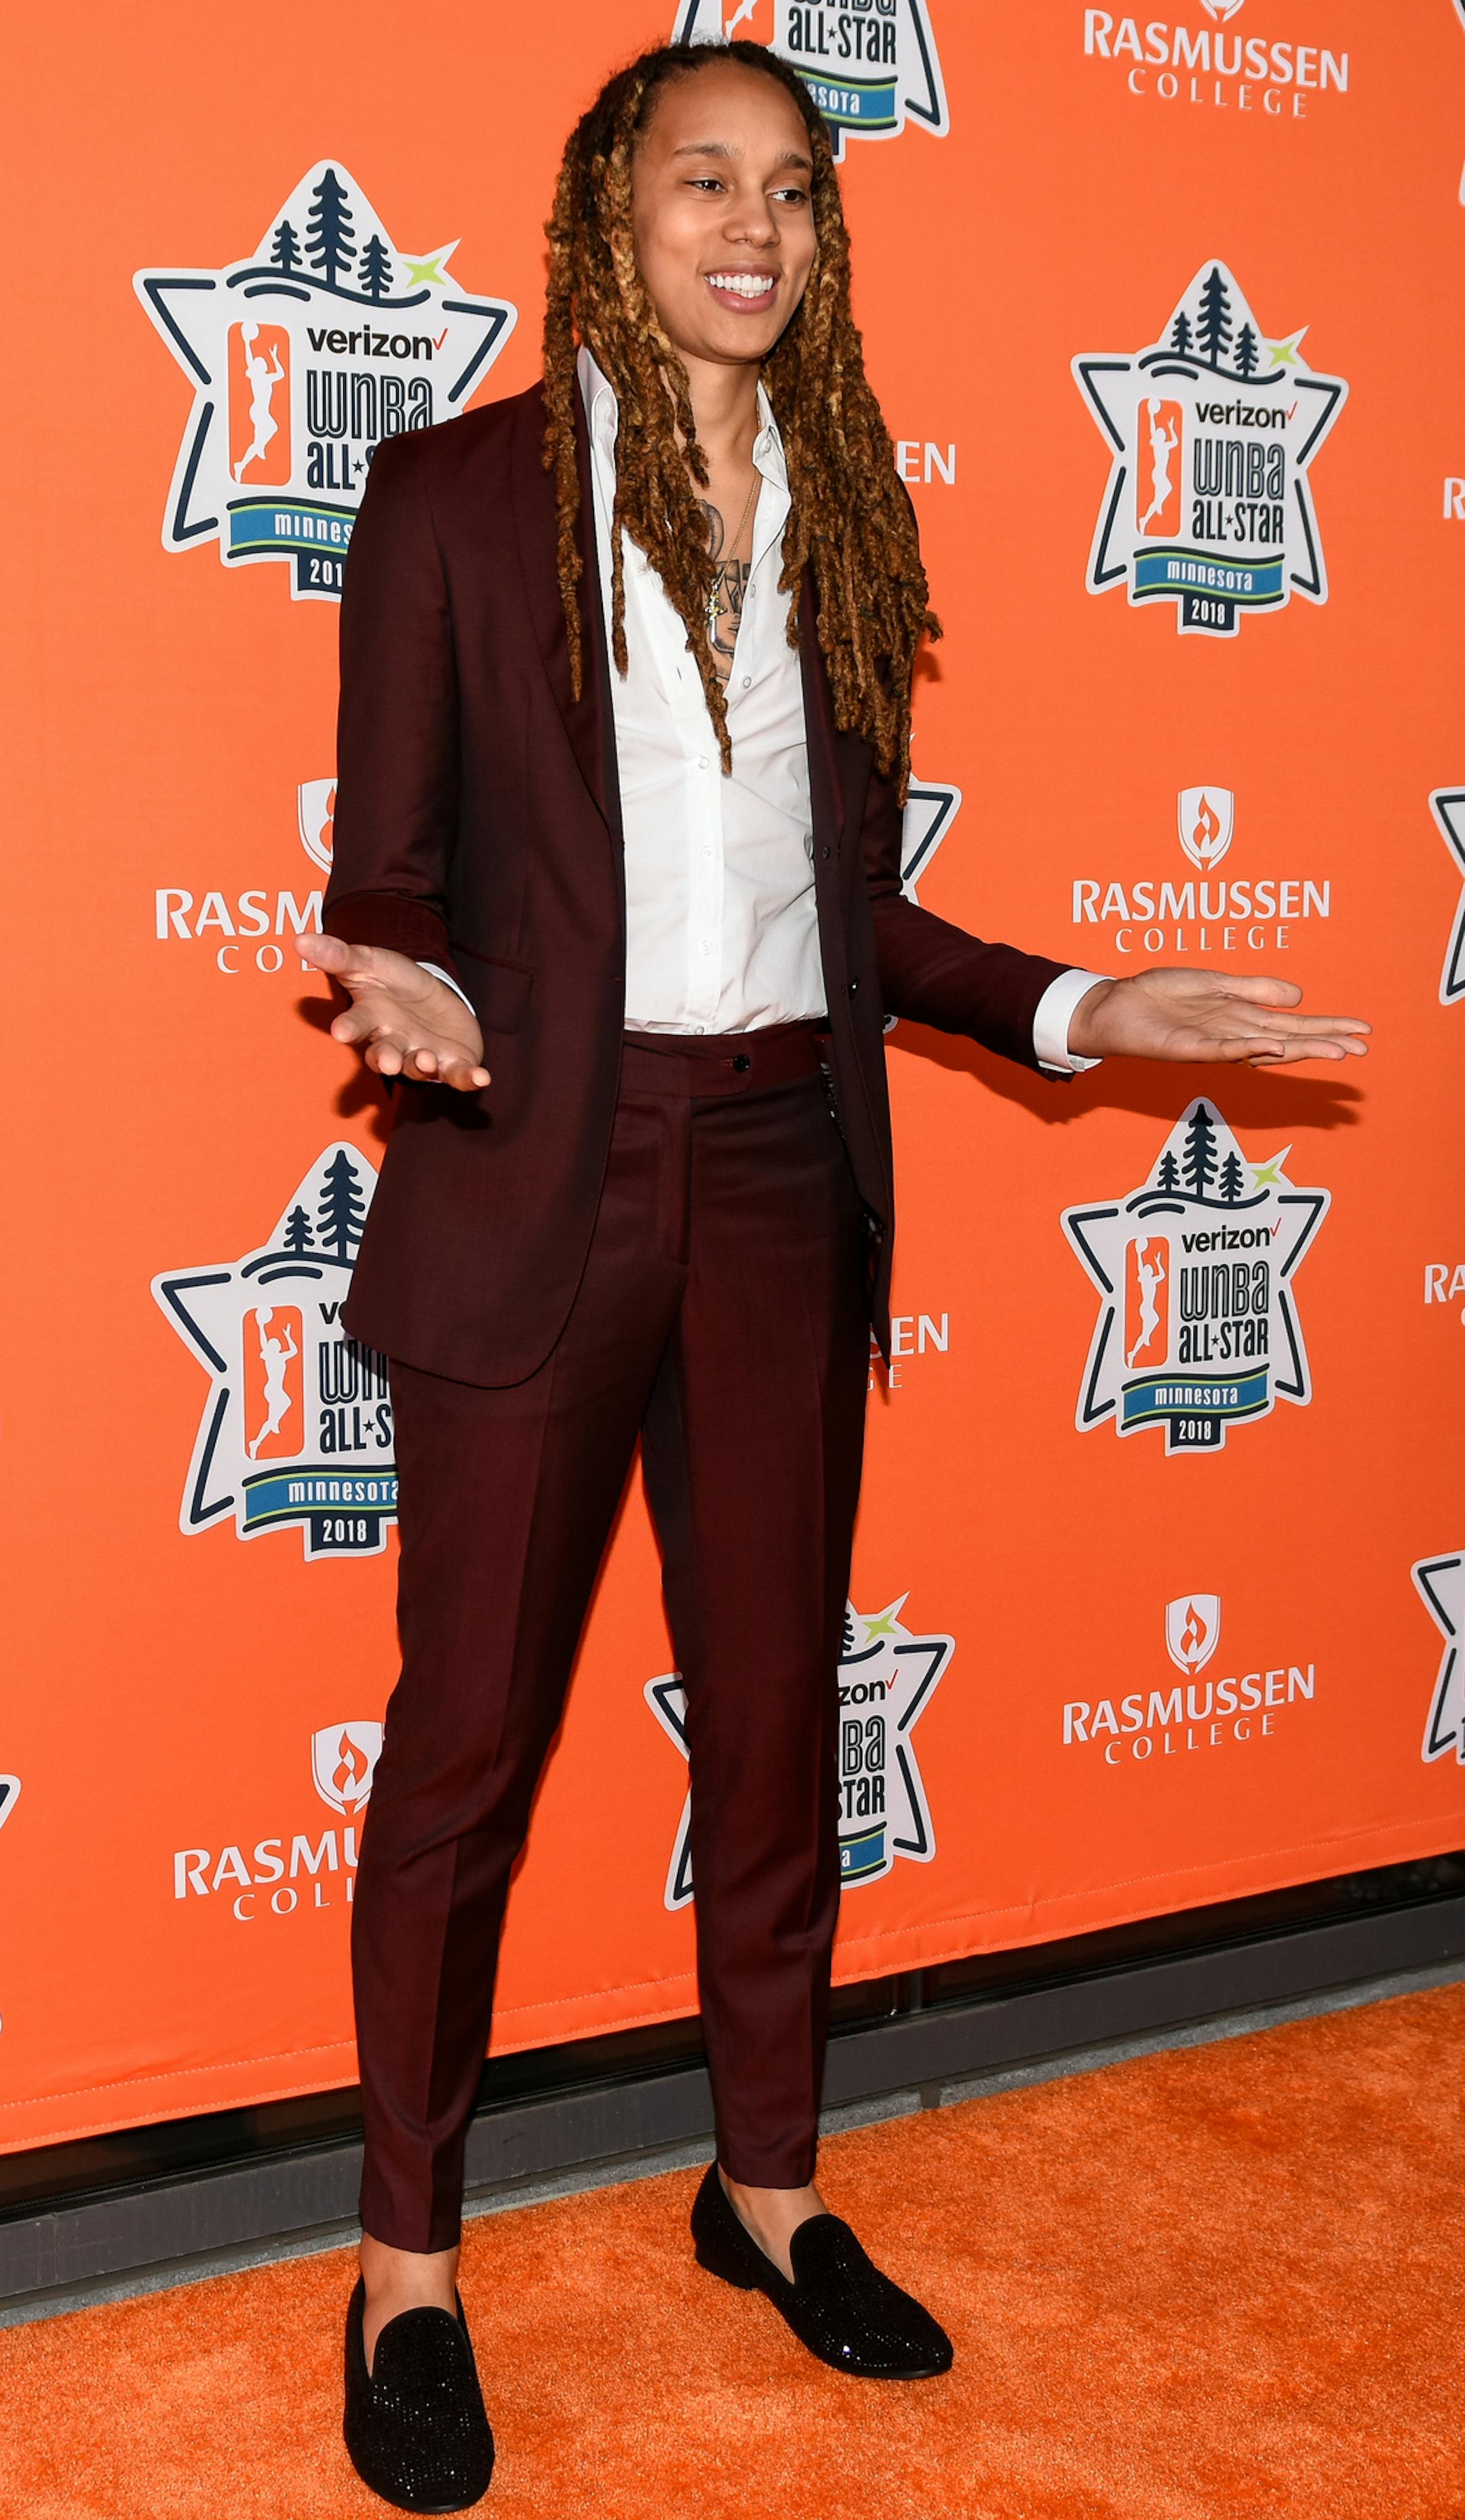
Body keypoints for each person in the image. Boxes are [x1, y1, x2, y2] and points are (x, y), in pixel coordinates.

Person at [300, 39, 1367, 2512]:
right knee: (462, 1754)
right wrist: (404, 974)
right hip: (538, 1171)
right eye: (704, 182)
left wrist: (1082, 1008)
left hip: (785, 1164)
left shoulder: (846, 502)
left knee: (781, 1713)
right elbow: (390, 859)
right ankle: (406, 2259)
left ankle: (762, 2186)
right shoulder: (451, 493)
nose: (751, 227)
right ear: (611, 210)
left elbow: (854, 910)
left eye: (791, 188)